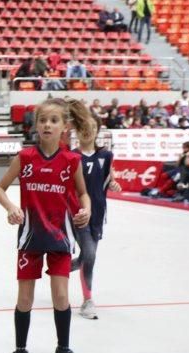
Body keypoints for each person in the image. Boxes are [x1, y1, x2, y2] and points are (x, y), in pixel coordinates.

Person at [0, 98, 92, 353]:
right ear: (36, 125)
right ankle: (20, 352)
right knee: (25, 298)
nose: (47, 125)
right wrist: (11, 207)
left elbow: (83, 194)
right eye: (43, 120)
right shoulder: (24, 157)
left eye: (54, 120)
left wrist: (86, 210)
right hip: (30, 238)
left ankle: (63, 352)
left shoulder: (72, 161)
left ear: (64, 127)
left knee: (61, 296)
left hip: (60, 238)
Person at [70, 118, 121, 320]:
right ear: (77, 131)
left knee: (86, 258)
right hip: (78, 213)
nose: (87, 131)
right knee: (90, 256)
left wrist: (114, 184)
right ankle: (87, 301)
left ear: (97, 131)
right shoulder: (71, 156)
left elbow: (109, 180)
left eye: (91, 127)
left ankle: (64, 267)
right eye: (83, 127)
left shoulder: (106, 156)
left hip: (99, 214)